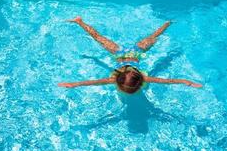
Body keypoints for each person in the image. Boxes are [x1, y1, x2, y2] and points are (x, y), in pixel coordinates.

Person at [58, 16, 202, 94]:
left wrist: (75, 84)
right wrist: (185, 81)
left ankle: (168, 22)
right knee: (153, 36)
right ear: (139, 83)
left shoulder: (115, 79)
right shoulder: (138, 77)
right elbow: (169, 81)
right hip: (129, 52)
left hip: (127, 52)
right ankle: (167, 23)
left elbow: (93, 82)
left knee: (98, 37)